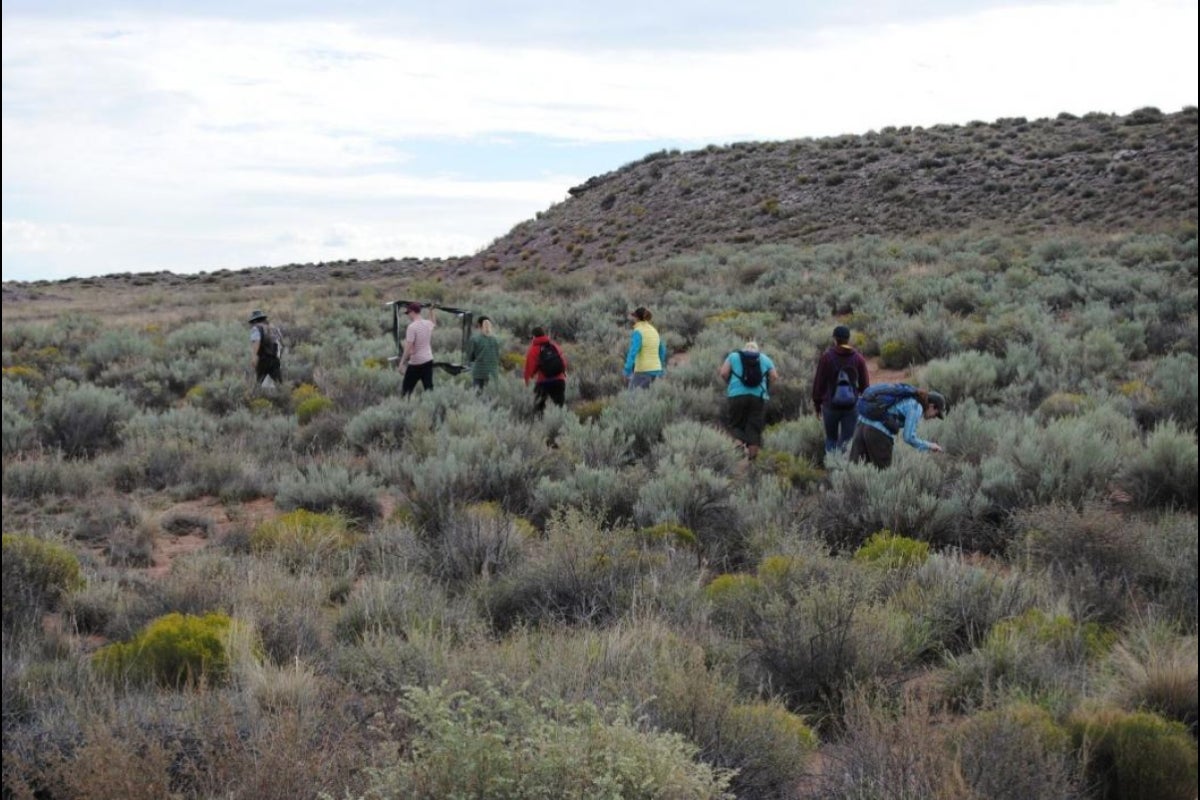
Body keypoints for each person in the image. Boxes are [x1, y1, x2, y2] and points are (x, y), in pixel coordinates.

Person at [849, 385, 947, 469]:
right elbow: (908, 437)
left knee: (855, 468)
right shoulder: (916, 406)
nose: (934, 417)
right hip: (877, 433)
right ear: (932, 406)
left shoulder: (908, 396)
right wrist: (929, 446)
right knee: (883, 474)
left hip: (861, 425)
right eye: (936, 414)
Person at [812, 324, 871, 453]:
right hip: (851, 407)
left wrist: (817, 405)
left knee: (831, 439)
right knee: (847, 440)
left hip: (830, 406)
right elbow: (865, 386)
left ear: (835, 339)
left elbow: (819, 384)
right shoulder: (858, 359)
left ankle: (832, 467)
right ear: (848, 339)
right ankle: (843, 469)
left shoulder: (826, 358)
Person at [718, 341, 779, 461]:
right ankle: (753, 461)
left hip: (737, 395)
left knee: (736, 424)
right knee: (754, 428)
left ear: (744, 349)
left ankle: (738, 454)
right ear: (757, 350)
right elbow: (774, 376)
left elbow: (723, 373)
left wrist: (731, 384)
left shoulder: (734, 356)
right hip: (758, 396)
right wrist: (766, 387)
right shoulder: (764, 358)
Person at [524, 326, 567, 414]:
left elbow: (529, 369)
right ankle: (561, 424)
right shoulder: (554, 345)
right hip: (559, 380)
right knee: (559, 407)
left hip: (543, 382)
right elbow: (564, 362)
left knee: (539, 408)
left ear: (534, 337)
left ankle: (540, 424)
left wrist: (527, 383)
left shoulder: (533, 349)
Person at [398, 302, 437, 397]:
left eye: (408, 313)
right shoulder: (427, 323)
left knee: (406, 391)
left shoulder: (412, 327)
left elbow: (408, 347)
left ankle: (404, 408)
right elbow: (433, 323)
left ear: (412, 312)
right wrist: (431, 311)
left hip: (416, 363)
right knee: (429, 389)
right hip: (428, 360)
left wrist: (401, 362)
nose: (408, 315)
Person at [624, 306, 667, 389]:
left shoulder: (638, 331)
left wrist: (627, 370)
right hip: (656, 370)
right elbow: (662, 350)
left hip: (643, 370)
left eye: (634, 317)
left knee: (632, 397)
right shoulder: (654, 330)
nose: (633, 319)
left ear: (637, 318)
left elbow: (633, 351)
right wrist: (659, 366)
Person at [248, 309, 284, 388]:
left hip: (263, 359)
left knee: (259, 381)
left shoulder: (256, 328)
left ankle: (257, 397)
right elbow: (280, 343)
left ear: (255, 321)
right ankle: (284, 396)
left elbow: (256, 342)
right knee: (278, 383)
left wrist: (254, 357)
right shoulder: (274, 328)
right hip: (275, 358)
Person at [466, 315, 501, 391]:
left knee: (478, 396)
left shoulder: (475, 339)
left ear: (479, 325)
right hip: (492, 372)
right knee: (490, 396)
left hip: (479, 372)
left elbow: (470, 356)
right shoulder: (495, 340)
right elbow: (497, 356)